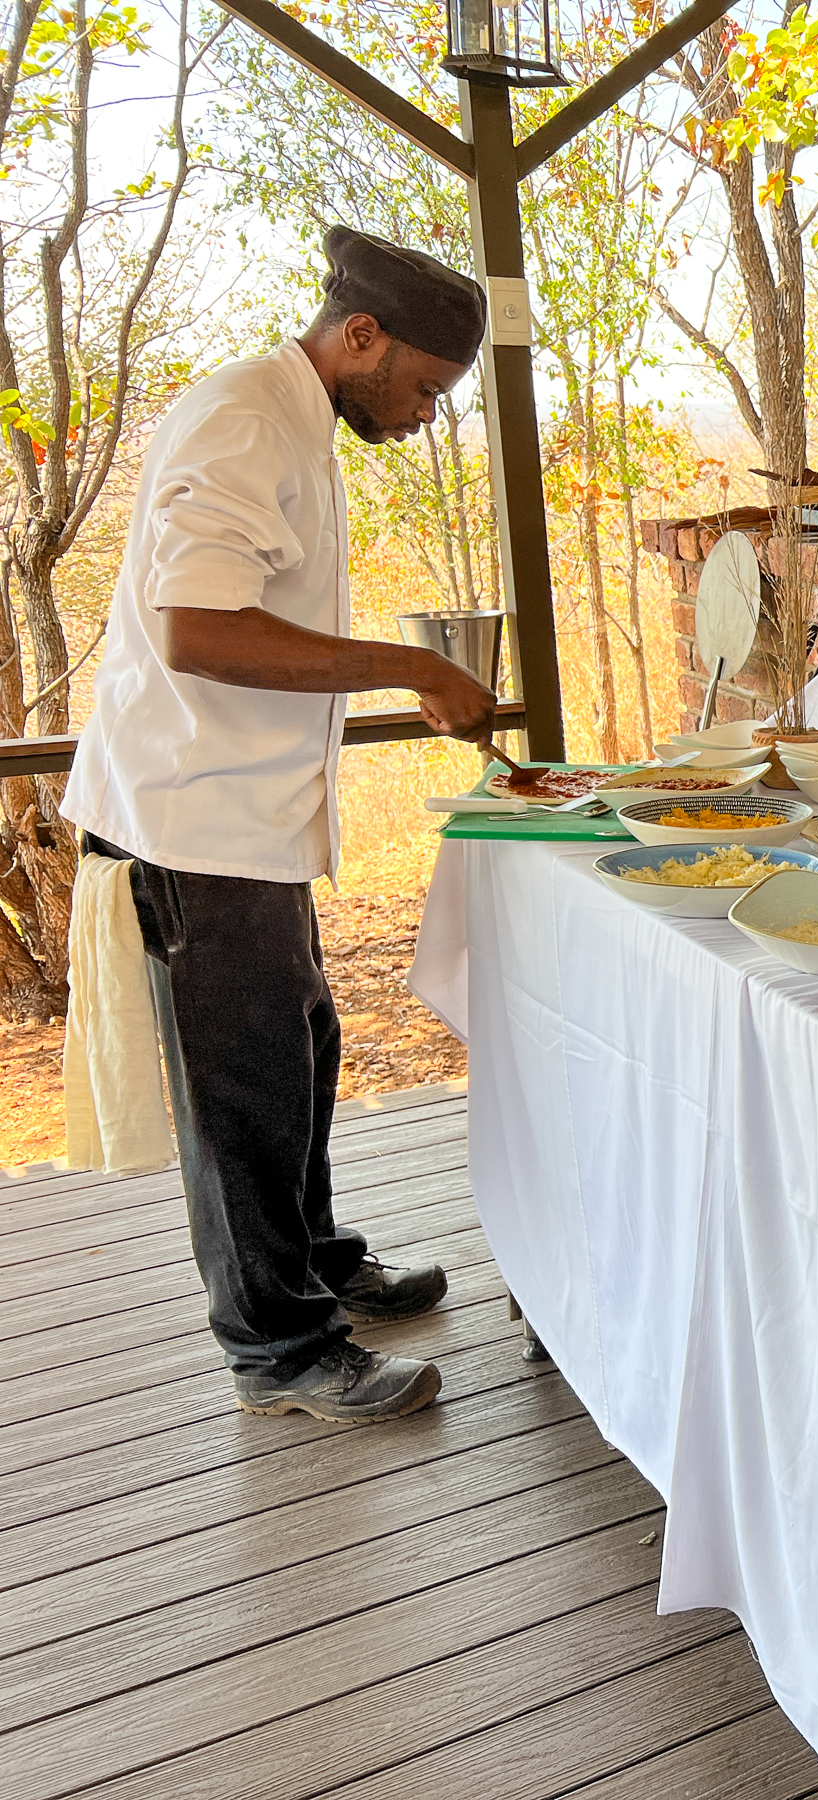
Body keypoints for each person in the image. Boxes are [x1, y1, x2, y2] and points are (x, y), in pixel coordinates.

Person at [61, 226, 501, 1424]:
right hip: (190, 822)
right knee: (246, 1091)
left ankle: (316, 1259)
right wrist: (413, 667)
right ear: (360, 335)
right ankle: (281, 1350)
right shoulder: (245, 418)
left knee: (301, 1049)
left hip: (245, 823)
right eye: (423, 387)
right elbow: (200, 630)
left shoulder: (298, 421)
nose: (424, 414)